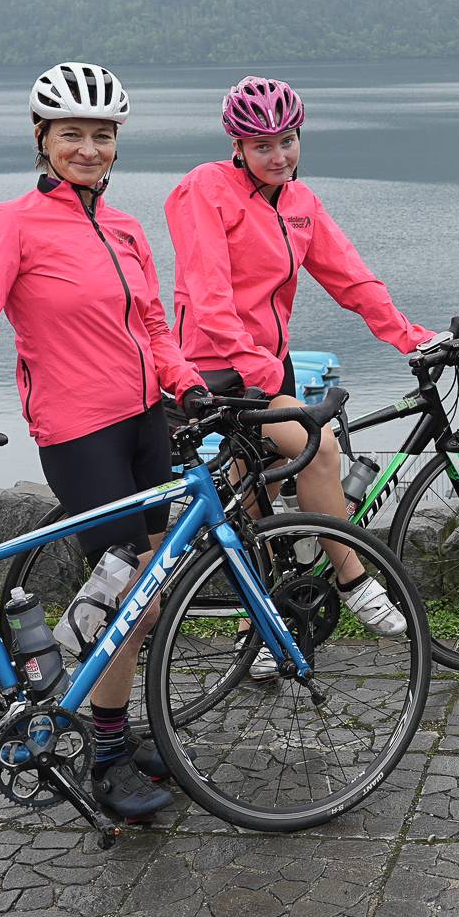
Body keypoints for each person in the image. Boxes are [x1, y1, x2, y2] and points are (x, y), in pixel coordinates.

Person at [0, 61, 205, 824]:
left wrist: (188, 386)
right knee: (124, 599)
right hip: (81, 433)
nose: (89, 148)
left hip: (147, 421)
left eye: (103, 135)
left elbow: (152, 325)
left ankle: (109, 724)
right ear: (43, 138)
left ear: (117, 144)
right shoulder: (12, 222)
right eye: (73, 134)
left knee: (146, 593)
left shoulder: (123, 226)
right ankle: (105, 757)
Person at [165, 76, 436, 668]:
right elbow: (210, 299)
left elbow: (351, 279)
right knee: (318, 449)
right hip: (215, 369)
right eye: (263, 145)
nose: (279, 155)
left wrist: (412, 337)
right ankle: (354, 578)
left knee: (257, 505)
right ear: (237, 145)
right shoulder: (204, 190)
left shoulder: (300, 203)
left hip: (267, 366)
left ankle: (264, 631)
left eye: (287, 140)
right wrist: (258, 374)